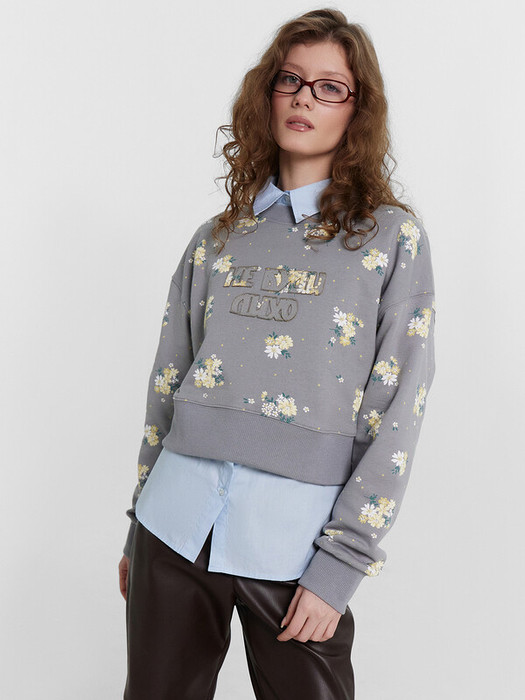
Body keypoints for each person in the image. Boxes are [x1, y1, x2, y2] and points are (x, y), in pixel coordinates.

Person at [118, 8, 436, 699]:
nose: (303, 98)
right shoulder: (216, 237)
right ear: (266, 94)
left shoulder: (389, 239)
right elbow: (167, 382)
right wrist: (137, 520)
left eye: (329, 87)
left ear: (358, 109)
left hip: (296, 547)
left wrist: (342, 563)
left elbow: (397, 411)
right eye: (289, 80)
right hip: (172, 526)